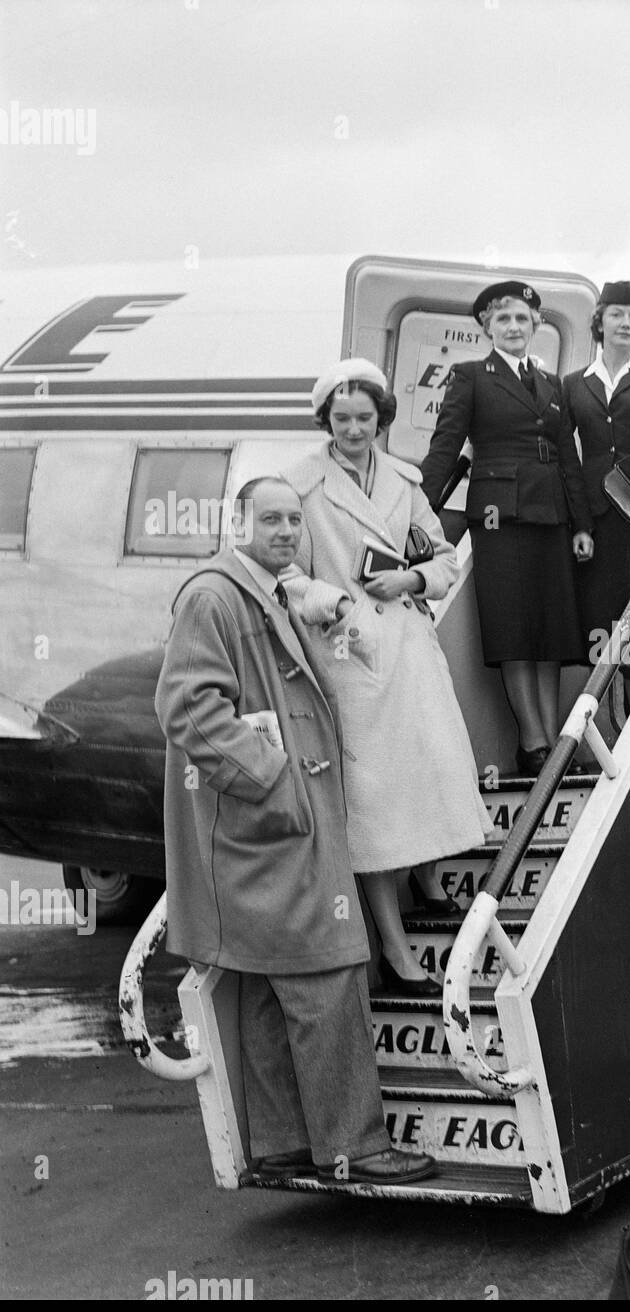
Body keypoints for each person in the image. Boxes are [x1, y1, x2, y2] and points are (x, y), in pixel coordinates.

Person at [154, 475, 437, 1185]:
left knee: (266, 986)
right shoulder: (215, 596)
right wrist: (277, 787)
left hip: (264, 834)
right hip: (270, 825)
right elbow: (189, 710)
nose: (284, 530)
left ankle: (284, 1143)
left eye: (292, 520)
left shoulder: (265, 589)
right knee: (329, 974)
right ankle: (357, 1149)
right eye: (270, 519)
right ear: (236, 521)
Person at [279, 359, 491, 997]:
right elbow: (284, 577)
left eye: (364, 418)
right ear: (325, 421)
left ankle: (428, 882)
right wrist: (334, 603)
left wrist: (412, 580)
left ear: (381, 419)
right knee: (373, 804)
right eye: (340, 419)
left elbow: (445, 556)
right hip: (348, 656)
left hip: (408, 644)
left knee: (430, 769)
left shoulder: (403, 480)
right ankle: (398, 955)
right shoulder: (300, 487)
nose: (352, 429)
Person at [420, 281, 593, 776]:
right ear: (486, 328)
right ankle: (532, 741)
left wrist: (581, 522)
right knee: (514, 627)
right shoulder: (471, 376)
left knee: (552, 630)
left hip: (551, 515)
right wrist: (419, 509)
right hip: (501, 515)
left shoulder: (551, 384)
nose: (514, 327)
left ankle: (555, 740)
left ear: (536, 325)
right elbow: (445, 445)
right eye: (504, 320)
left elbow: (567, 460)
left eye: (522, 319)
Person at [562, 280, 630, 658]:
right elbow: (567, 461)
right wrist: (580, 524)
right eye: (616, 314)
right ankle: (600, 709)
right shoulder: (573, 384)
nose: (625, 323)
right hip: (595, 518)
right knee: (597, 617)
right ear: (599, 322)